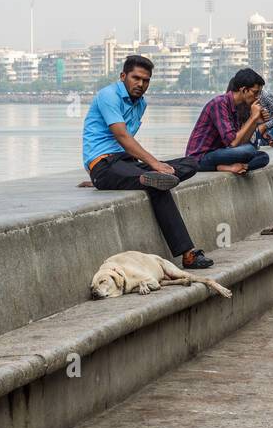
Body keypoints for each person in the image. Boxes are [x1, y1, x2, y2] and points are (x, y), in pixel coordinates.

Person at [82, 54, 214, 270]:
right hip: (104, 164)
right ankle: (188, 254)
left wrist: (148, 166)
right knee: (157, 183)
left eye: (146, 80)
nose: (141, 84)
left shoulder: (140, 103)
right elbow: (123, 137)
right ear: (123, 76)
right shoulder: (108, 96)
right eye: (136, 78)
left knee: (191, 163)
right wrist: (154, 163)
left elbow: (128, 147)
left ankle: (143, 178)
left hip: (125, 164)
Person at [186, 68, 271, 174]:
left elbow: (242, 142)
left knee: (263, 156)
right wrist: (252, 118)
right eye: (255, 92)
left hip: (219, 153)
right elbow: (233, 142)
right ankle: (223, 167)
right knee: (249, 150)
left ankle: (237, 167)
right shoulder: (219, 103)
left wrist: (255, 122)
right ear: (244, 90)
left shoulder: (235, 107)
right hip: (200, 157)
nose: (257, 97)